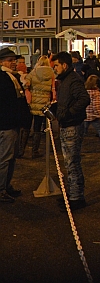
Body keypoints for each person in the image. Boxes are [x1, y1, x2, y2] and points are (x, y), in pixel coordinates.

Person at [51, 51, 90, 211]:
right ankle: (72, 194)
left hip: (72, 125)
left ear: (64, 65)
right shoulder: (66, 80)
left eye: (56, 65)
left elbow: (84, 98)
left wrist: (69, 113)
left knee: (72, 163)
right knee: (69, 163)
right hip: (67, 124)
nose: (54, 68)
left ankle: (76, 198)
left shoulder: (73, 80)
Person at [0, 47, 30, 202]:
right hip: (7, 124)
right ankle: (1, 189)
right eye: (10, 60)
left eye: (14, 60)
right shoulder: (4, 78)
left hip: (13, 123)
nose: (13, 63)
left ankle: (6, 185)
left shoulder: (13, 77)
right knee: (5, 158)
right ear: (1, 62)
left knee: (11, 157)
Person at [24, 55, 54, 158]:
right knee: (38, 127)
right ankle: (35, 151)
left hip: (33, 102)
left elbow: (26, 84)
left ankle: (21, 150)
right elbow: (53, 88)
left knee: (27, 126)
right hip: (44, 103)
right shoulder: (51, 73)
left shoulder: (34, 72)